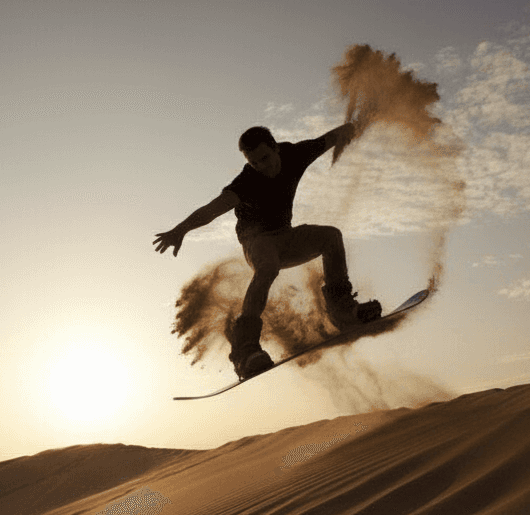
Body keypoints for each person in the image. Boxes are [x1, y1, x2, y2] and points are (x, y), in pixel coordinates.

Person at [154, 123, 381, 380]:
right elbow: (211, 210)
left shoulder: (296, 154)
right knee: (269, 266)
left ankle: (341, 309)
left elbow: (332, 137)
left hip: (286, 237)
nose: (262, 166)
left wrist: (362, 120)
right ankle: (245, 349)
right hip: (257, 242)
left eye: (265, 158)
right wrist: (179, 230)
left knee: (331, 236)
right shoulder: (245, 183)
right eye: (254, 163)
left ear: (276, 149)